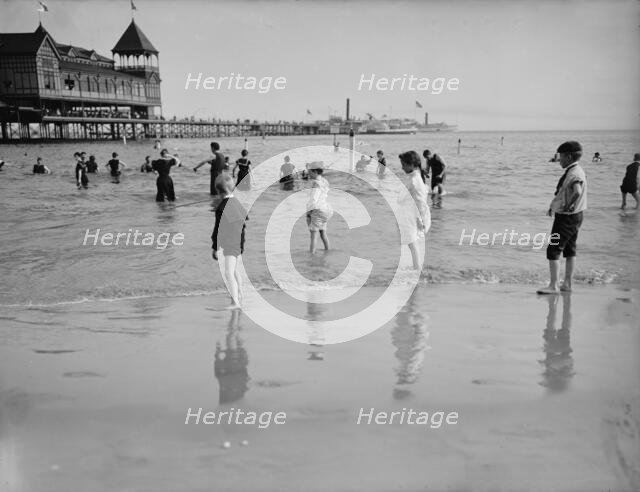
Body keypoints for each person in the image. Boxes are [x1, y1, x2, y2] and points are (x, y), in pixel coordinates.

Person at [537, 141, 587, 295]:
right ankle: (567, 284)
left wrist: (568, 206)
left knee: (553, 250)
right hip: (576, 216)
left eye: (561, 156)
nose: (559, 160)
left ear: (569, 156)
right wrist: (555, 207)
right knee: (570, 249)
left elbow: (577, 191)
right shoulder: (577, 169)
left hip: (567, 217)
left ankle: (553, 286)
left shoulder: (573, 174)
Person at [211, 174, 248, 309]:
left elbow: (218, 230)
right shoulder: (237, 203)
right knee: (235, 270)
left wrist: (215, 247)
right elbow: (243, 223)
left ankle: (235, 302)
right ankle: (240, 294)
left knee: (228, 272)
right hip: (239, 241)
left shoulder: (221, 208)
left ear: (218, 191)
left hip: (230, 243)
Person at [399, 151, 431, 270]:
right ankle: (416, 268)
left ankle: (417, 270)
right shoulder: (414, 177)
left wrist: (420, 220)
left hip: (417, 217)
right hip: (413, 215)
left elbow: (420, 202)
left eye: (404, 164)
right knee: (412, 243)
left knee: (412, 244)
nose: (402, 167)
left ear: (411, 165)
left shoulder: (414, 180)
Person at [306, 161, 333, 254]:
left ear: (315, 172)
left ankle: (311, 256)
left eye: (309, 171)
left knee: (313, 235)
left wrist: (309, 213)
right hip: (327, 210)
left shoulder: (315, 184)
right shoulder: (324, 181)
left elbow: (314, 200)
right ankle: (328, 250)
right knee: (323, 232)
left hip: (318, 210)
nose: (307, 173)